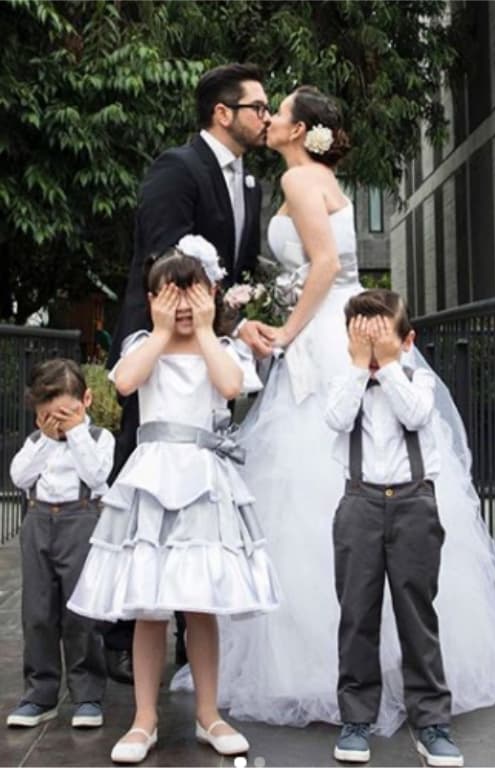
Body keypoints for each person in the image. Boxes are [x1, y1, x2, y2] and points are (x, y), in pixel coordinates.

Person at [172, 86, 495, 737]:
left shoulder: (301, 179)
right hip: (339, 323)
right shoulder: (314, 175)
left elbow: (324, 265)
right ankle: (373, 664)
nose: (269, 119)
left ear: (303, 130)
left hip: (329, 332)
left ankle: (332, 668)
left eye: (280, 112)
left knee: (322, 472)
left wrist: (288, 332)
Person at [68, 239, 278, 764]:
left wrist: (208, 329)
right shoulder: (145, 342)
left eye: (193, 292)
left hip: (205, 481)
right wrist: (160, 332)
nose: (182, 304)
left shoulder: (221, 348)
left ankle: (209, 713)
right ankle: (143, 719)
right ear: (152, 298)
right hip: (152, 478)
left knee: (200, 605)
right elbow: (124, 382)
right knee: (149, 605)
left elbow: (230, 386)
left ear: (212, 294)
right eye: (169, 293)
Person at [104, 62, 271, 682]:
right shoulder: (177, 167)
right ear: (222, 113)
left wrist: (236, 325)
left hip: (209, 343)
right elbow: (165, 257)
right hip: (161, 342)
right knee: (142, 477)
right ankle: (122, 633)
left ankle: (189, 632)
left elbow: (238, 267)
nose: (266, 116)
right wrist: (208, 319)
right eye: (257, 107)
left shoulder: (250, 184)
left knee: (203, 484)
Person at [327, 290, 462, 767]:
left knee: (417, 614)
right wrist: (360, 366)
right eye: (359, 337)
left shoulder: (418, 378)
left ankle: (432, 721)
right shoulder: (345, 381)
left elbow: (416, 414)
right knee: (357, 613)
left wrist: (385, 364)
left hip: (414, 505)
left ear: (408, 340)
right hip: (359, 504)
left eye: (381, 336)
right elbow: (336, 417)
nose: (369, 346)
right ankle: (356, 717)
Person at [7, 359, 112, 730]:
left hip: (80, 522)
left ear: (86, 400)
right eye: (48, 416)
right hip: (38, 522)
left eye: (66, 414)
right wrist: (47, 440)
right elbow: (19, 477)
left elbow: (96, 474)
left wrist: (77, 433)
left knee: (81, 614)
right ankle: (39, 694)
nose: (58, 424)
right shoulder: (37, 442)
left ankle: (86, 695)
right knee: (37, 612)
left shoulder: (99, 438)